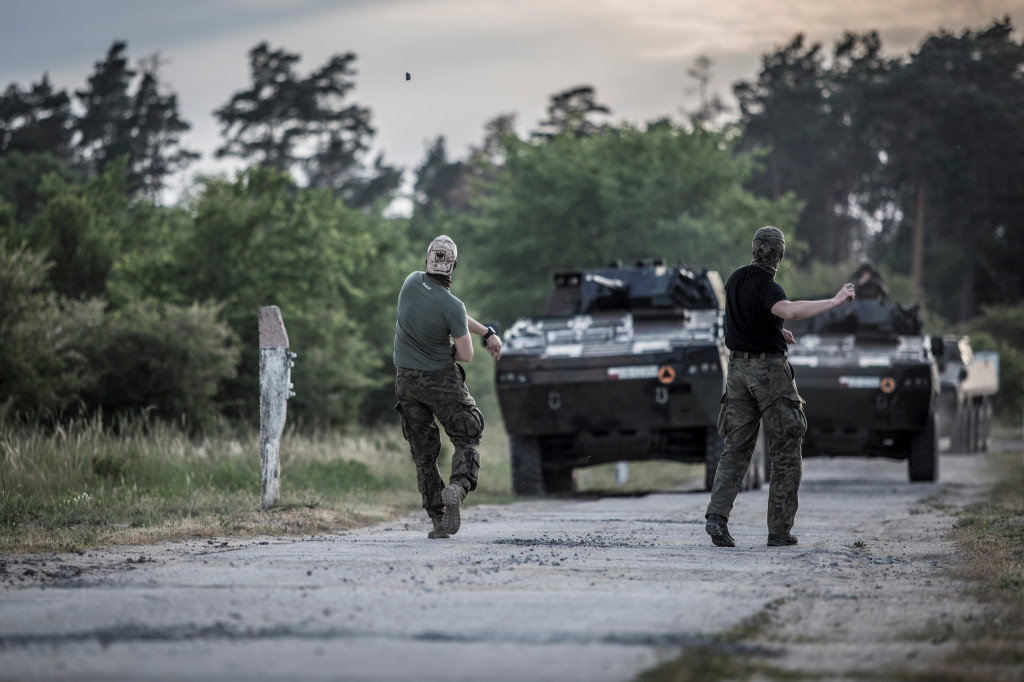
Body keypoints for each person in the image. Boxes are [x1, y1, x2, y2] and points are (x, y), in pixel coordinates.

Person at [705, 226, 856, 548]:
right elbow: (789, 310)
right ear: (780, 254)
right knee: (786, 453)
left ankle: (717, 518)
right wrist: (835, 300)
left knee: (734, 450)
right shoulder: (769, 286)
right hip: (769, 373)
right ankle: (779, 531)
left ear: (754, 249)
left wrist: (774, 330)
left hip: (737, 372)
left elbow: (744, 317)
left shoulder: (735, 278)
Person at [393, 235, 502, 539]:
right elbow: (465, 353)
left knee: (424, 455)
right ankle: (458, 487)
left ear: (428, 259)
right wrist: (469, 345)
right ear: (453, 266)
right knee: (468, 434)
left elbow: (458, 318)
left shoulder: (411, 282)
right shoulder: (452, 305)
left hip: (405, 380)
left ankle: (438, 519)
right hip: (440, 380)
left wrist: (486, 331)